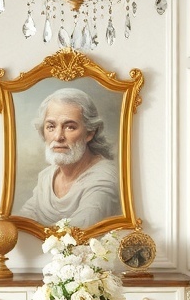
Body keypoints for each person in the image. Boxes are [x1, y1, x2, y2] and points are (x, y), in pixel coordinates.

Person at [18, 87, 120, 228]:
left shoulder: (105, 179)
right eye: (51, 126)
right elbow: (23, 221)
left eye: (70, 127)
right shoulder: (47, 177)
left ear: (89, 133)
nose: (58, 136)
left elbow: (79, 231)